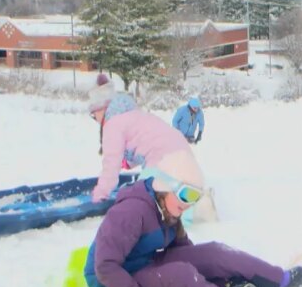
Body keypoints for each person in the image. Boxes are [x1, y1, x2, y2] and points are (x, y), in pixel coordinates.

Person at [83, 155, 302, 287]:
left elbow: (184, 250)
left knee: (214, 252)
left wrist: (211, 272)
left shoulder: (168, 208)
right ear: (166, 188)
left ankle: (276, 279)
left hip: (144, 264)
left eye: (196, 196)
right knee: (181, 275)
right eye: (186, 194)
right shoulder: (131, 212)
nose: (190, 204)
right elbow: (104, 266)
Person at [87, 74, 217, 222]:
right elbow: (145, 142)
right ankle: (197, 195)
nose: (95, 120)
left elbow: (110, 166)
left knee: (148, 199)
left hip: (161, 158)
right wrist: (128, 163)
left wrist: (100, 195)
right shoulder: (134, 115)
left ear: (101, 109)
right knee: (174, 187)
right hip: (180, 149)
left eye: (93, 115)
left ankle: (197, 210)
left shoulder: (112, 124)